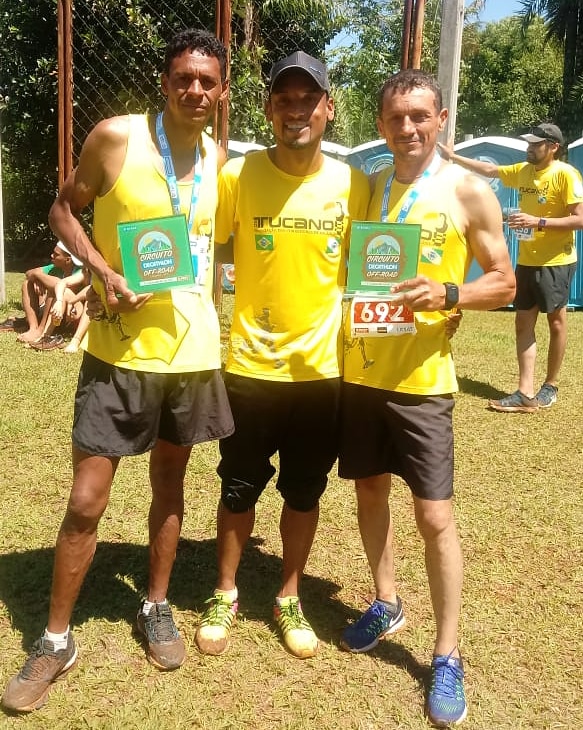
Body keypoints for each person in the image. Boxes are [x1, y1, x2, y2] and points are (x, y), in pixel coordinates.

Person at [2, 28, 233, 713]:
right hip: (116, 351)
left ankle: (156, 605)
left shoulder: (219, 159)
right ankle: (54, 640)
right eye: (183, 77)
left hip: (191, 355)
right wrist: (102, 273)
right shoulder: (116, 138)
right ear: (165, 82)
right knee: (86, 500)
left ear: (222, 93)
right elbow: (62, 209)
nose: (195, 89)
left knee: (170, 484)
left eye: (207, 81)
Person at [338, 69, 515, 727]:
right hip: (362, 372)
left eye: (419, 116)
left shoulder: (468, 190)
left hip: (424, 385)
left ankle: (446, 655)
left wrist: (450, 295)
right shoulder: (369, 187)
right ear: (380, 125)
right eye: (395, 117)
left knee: (435, 516)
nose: (407, 127)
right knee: (368, 491)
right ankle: (386, 601)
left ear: (441, 120)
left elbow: (504, 281)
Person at [194, 51, 370, 660]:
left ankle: (289, 596)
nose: (297, 110)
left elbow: (374, 270)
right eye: (285, 99)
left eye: (308, 99)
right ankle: (225, 591)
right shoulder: (236, 177)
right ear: (269, 109)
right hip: (249, 366)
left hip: (322, 372)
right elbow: (207, 251)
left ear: (328, 108)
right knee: (238, 486)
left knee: (304, 491)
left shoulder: (354, 185)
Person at [438, 123, 583, 412]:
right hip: (526, 261)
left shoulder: (566, 174)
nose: (530, 148)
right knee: (523, 322)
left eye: (536, 144)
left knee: (556, 323)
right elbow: (490, 170)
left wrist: (538, 222)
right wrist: (453, 157)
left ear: (553, 147)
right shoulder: (524, 171)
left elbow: (580, 219)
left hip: (556, 262)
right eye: (529, 143)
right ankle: (525, 393)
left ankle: (550, 385)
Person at [11, 240, 83, 343]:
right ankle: (33, 328)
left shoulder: (80, 271)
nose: (52, 255)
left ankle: (42, 330)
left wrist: (38, 276)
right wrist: (36, 279)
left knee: (55, 290)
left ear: (68, 259)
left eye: (56, 254)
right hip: (54, 311)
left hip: (71, 313)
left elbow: (59, 284)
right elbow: (28, 273)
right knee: (27, 283)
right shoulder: (54, 268)